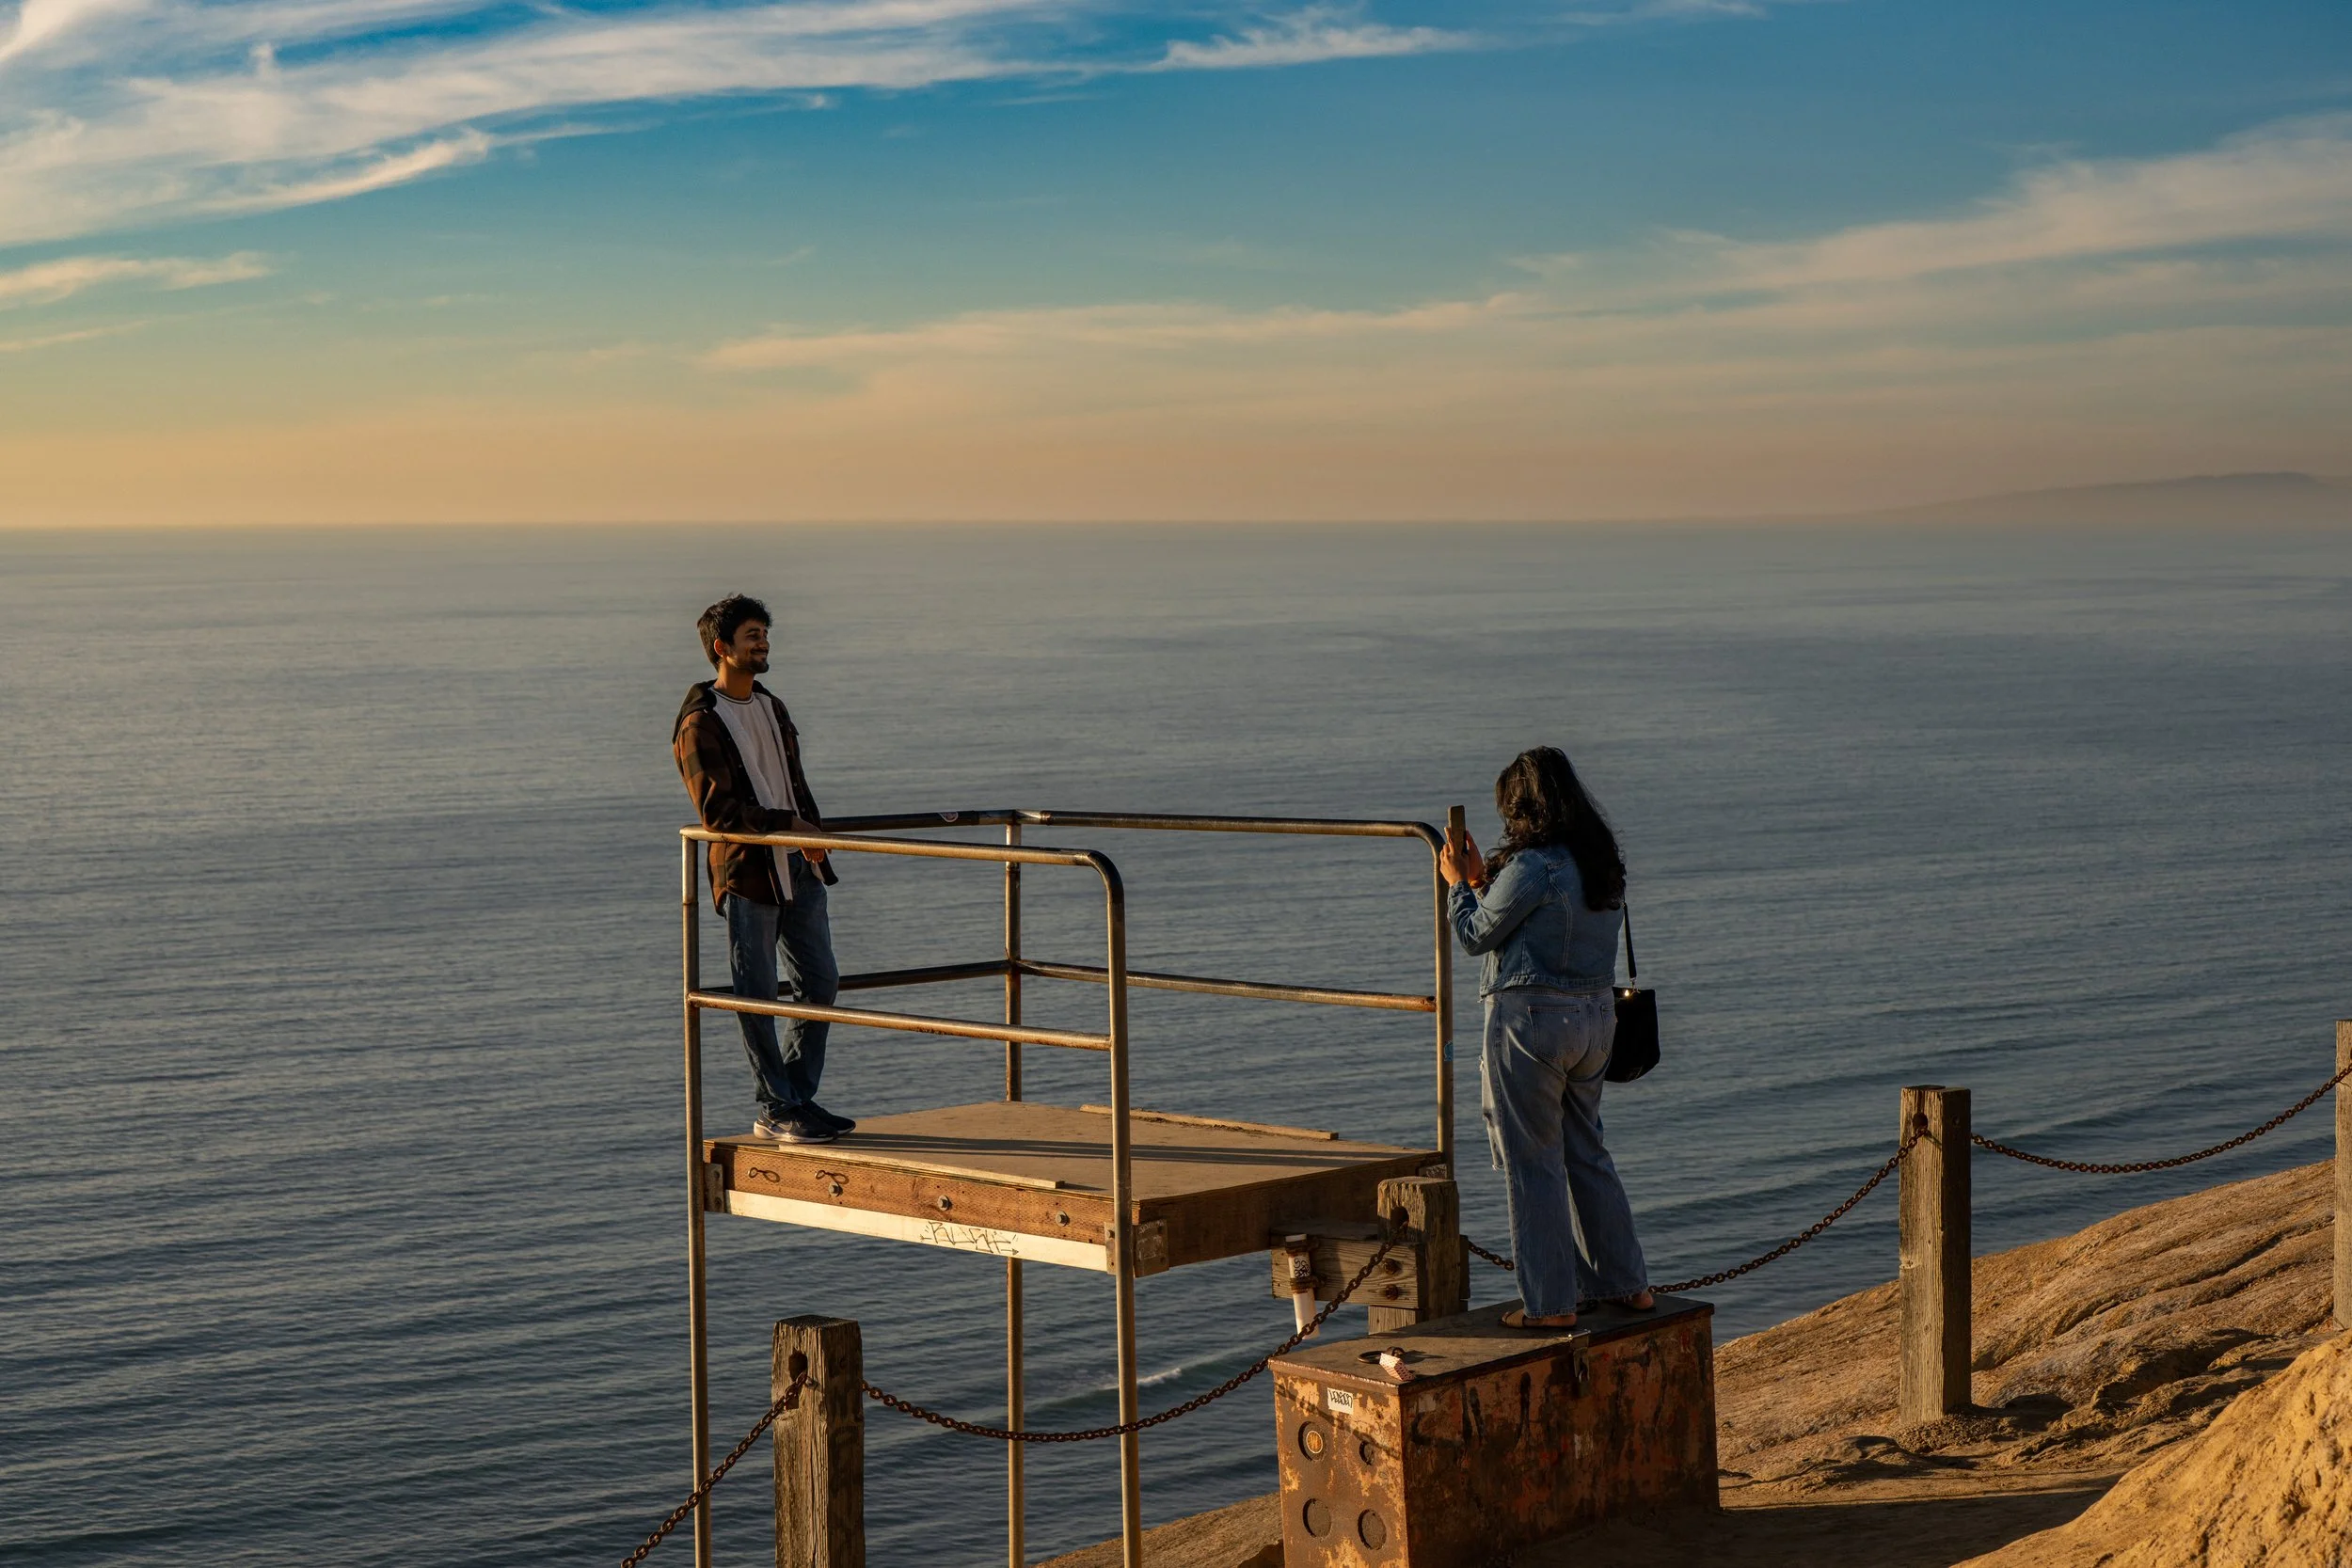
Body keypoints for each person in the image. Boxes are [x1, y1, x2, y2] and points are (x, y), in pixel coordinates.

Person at [1440, 746, 1652, 1330]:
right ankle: (1627, 1284)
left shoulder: (1535, 866)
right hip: (1595, 1022)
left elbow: (1478, 936)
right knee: (1588, 1153)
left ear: (1524, 808)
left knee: (1533, 1165)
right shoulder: (1600, 863)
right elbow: (1526, 920)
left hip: (1531, 1022)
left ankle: (1552, 1305)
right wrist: (1485, 878)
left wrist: (1459, 884)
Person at [673, 594, 851, 1146]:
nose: (763, 642)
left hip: (798, 866)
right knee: (756, 994)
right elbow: (718, 812)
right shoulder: (699, 723)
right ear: (722, 648)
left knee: (821, 982)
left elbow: (795, 784)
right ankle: (775, 1105)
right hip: (749, 874)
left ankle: (796, 1096)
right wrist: (788, 824)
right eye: (752, 635)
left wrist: (813, 837)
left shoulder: (773, 707)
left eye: (764, 634)